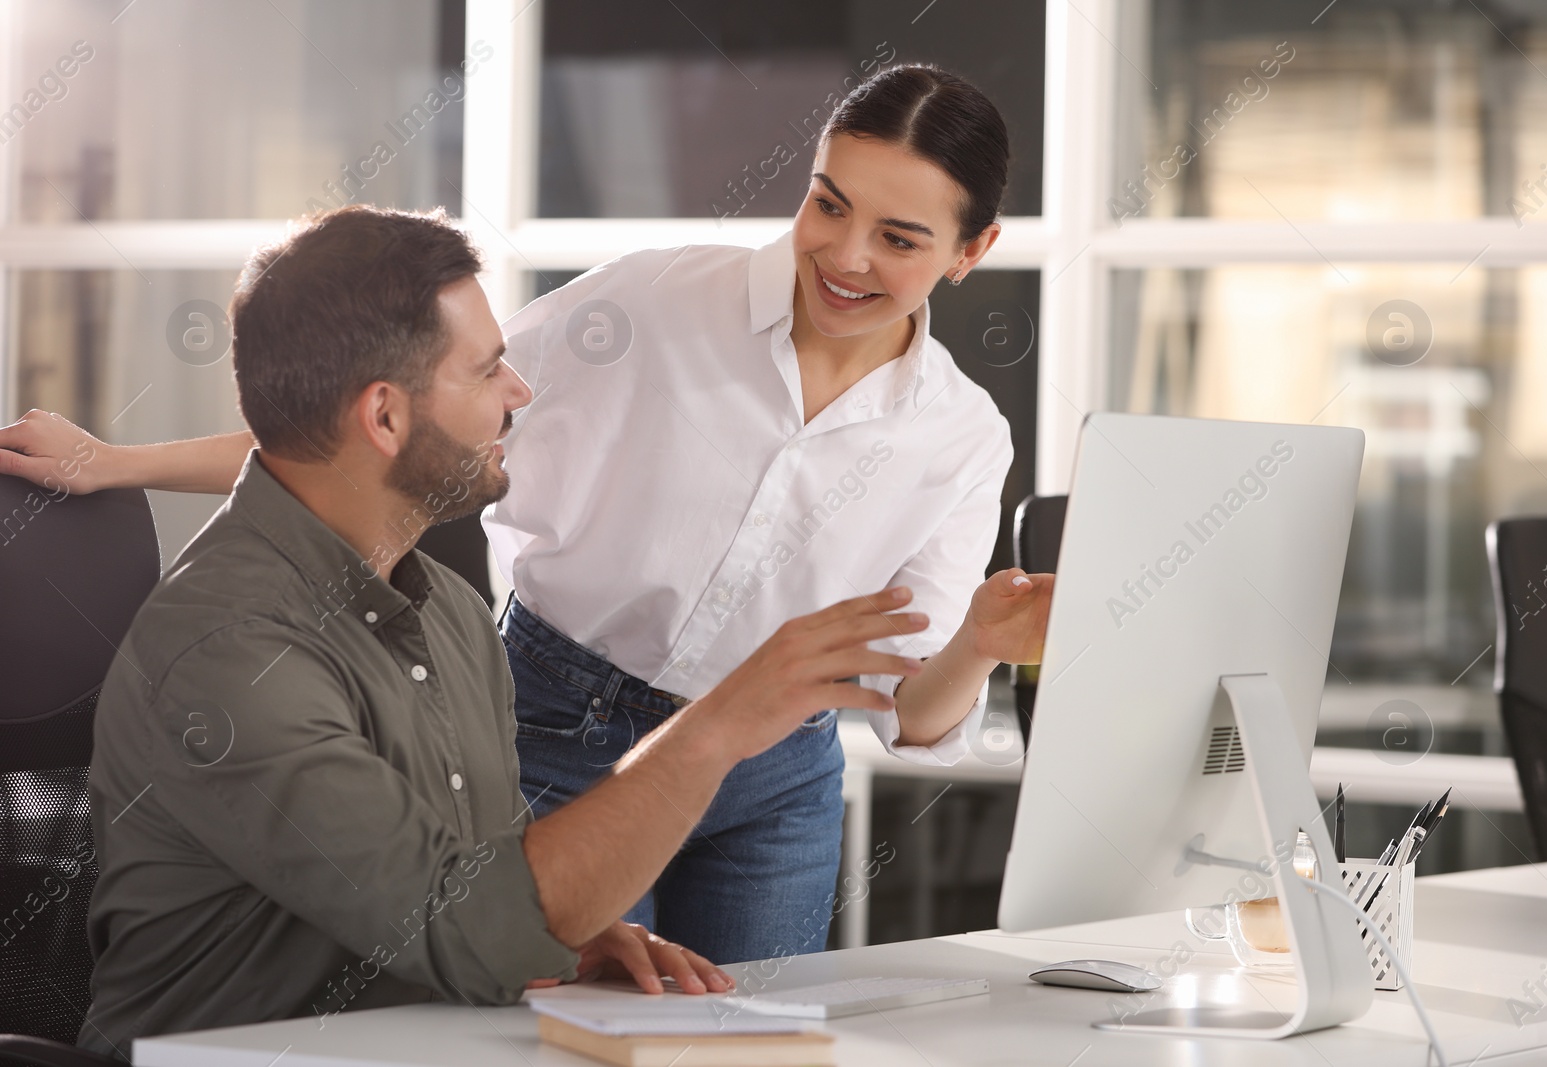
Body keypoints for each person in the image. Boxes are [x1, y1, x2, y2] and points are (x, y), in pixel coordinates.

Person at [0, 65, 1054, 965]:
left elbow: (915, 716)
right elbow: (386, 421)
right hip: (559, 720)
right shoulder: (650, 306)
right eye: (828, 204)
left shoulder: (960, 435)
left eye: (900, 236)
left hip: (774, 778)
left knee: (747, 1038)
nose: (846, 255)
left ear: (972, 248)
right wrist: (112, 461)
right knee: (539, 1015)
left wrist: (977, 642)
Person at [39, 207, 931, 1059]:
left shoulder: (452, 612)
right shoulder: (231, 652)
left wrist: (568, 939)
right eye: (486, 370)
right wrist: (721, 725)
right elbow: (465, 931)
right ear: (385, 416)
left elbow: (481, 890)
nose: (521, 391)